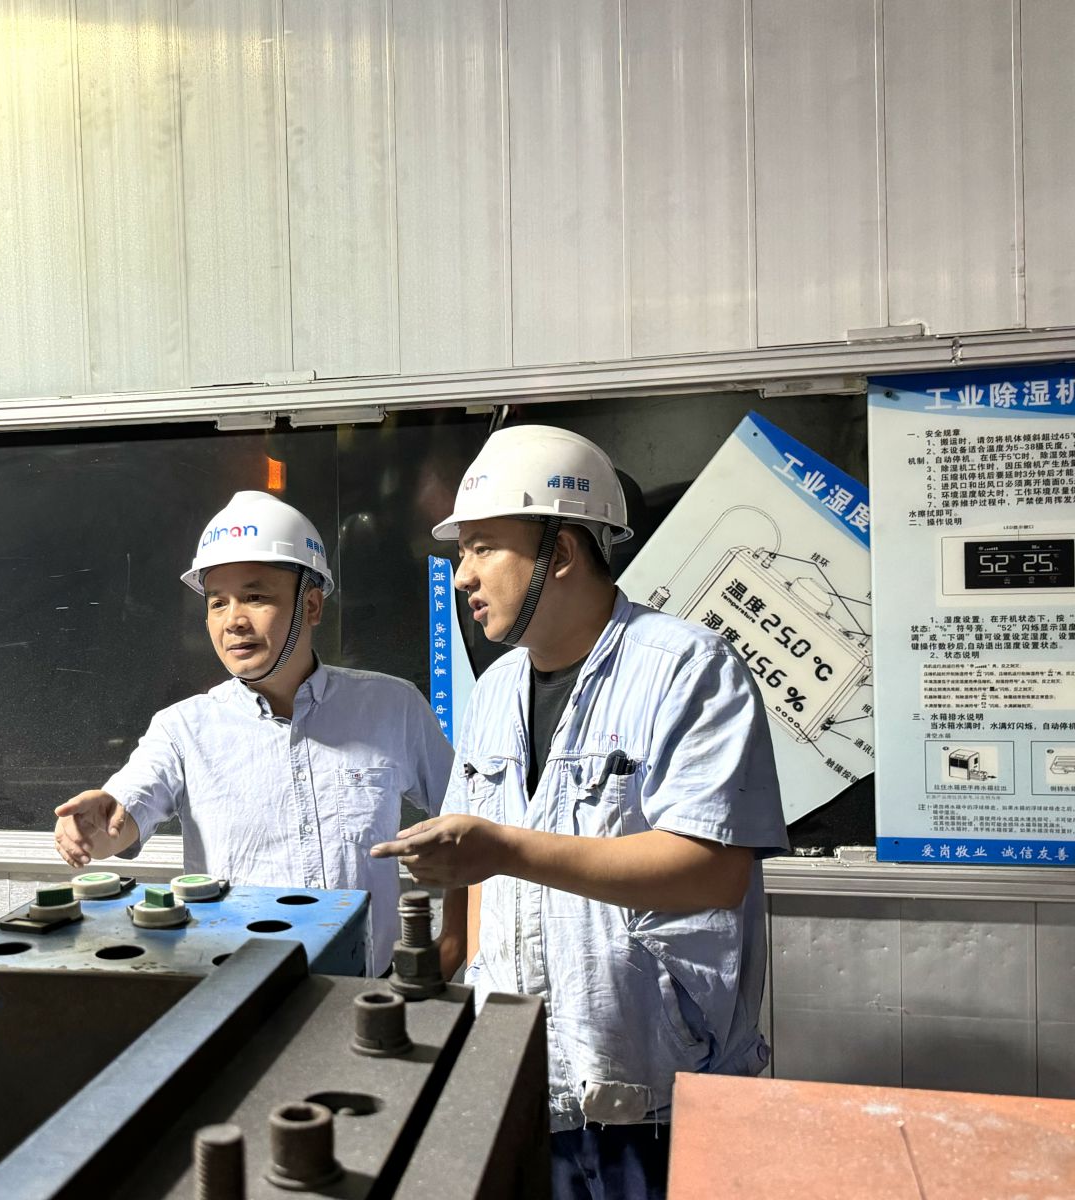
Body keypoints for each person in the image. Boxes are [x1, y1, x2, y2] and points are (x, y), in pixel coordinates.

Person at [370, 426, 788, 1200]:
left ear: (560, 552)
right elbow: (475, 876)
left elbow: (713, 872)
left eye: (483, 547)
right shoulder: (495, 691)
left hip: (656, 1097)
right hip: (520, 1077)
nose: (463, 574)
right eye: (462, 551)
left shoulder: (688, 670)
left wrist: (508, 850)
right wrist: (431, 986)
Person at [53, 490, 461, 978]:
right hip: (233, 993)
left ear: (312, 605)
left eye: (255, 597)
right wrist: (96, 828)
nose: (234, 621)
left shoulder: (393, 707)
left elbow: (471, 824)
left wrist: (452, 946)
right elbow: (122, 816)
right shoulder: (183, 729)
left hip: (365, 992)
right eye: (217, 603)